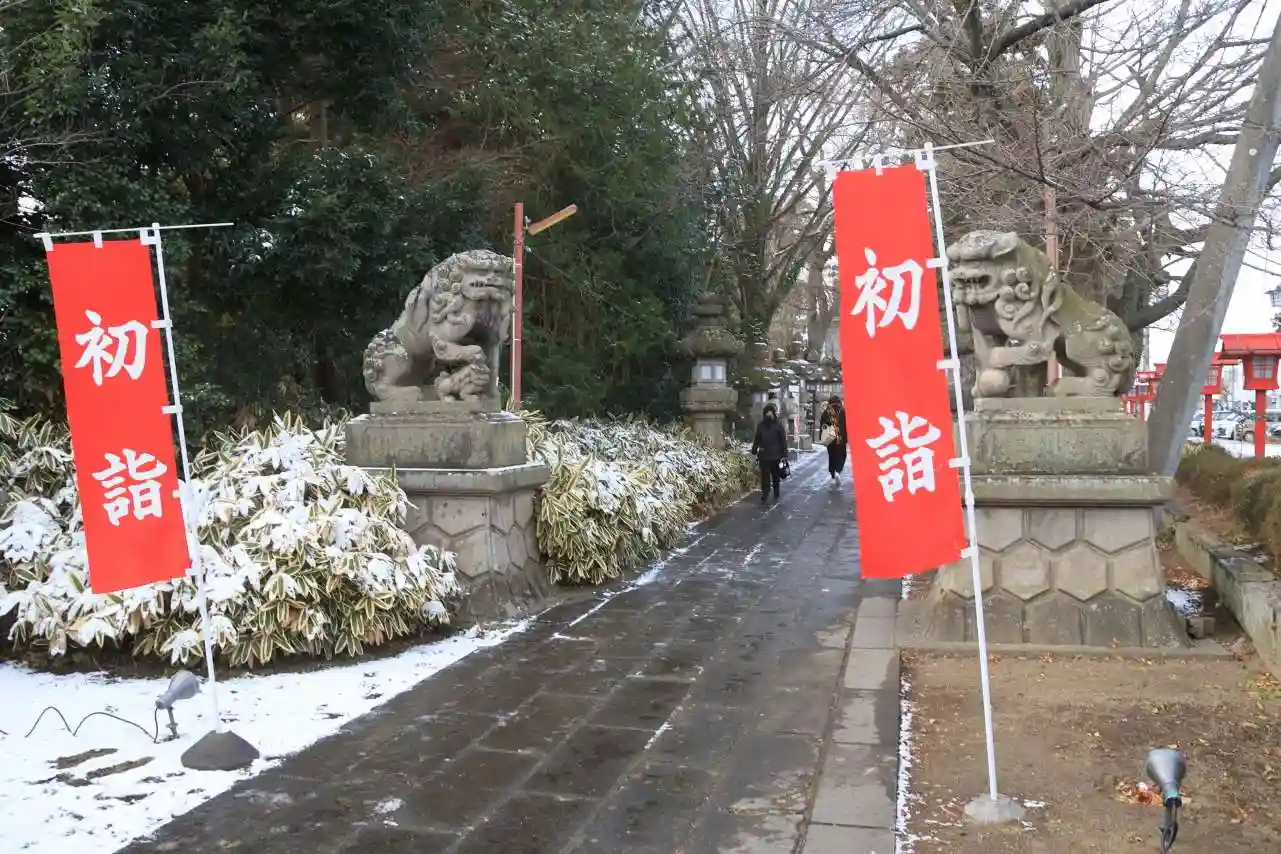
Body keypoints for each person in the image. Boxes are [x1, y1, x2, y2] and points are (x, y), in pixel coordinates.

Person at [750, 402, 788, 504]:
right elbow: (757, 439)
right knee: (765, 476)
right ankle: (765, 494)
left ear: (774, 413)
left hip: (776, 456)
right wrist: (754, 450)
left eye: (770, 412)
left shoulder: (778, 425)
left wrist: (785, 454)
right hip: (764, 455)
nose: (769, 414)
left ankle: (776, 494)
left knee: (775, 476)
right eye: (767, 412)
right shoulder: (761, 425)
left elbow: (783, 441)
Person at [820, 395, 848, 481]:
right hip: (840, 438)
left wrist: (822, 437)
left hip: (830, 438)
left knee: (832, 456)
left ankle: (832, 473)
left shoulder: (827, 411)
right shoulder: (843, 411)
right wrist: (846, 438)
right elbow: (847, 425)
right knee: (841, 455)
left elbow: (822, 425)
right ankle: (838, 471)